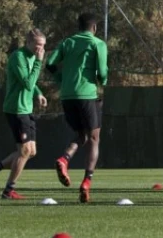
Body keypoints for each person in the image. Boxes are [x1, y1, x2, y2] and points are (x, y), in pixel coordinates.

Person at [46, 13, 109, 203]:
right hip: (87, 95)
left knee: (81, 135)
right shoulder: (97, 44)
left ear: (78, 26)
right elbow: (103, 71)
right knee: (94, 138)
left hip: (67, 96)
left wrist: (61, 80)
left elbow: (49, 63)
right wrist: (102, 81)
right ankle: (86, 182)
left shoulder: (67, 42)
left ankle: (64, 159)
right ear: (94, 28)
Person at [0, 29, 48, 199]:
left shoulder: (31, 57)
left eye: (43, 46)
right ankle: (8, 191)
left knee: (32, 151)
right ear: (28, 43)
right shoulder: (18, 57)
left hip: (26, 108)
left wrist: (39, 93)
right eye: (37, 45)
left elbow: (31, 83)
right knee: (24, 151)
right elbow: (27, 82)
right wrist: (38, 63)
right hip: (16, 109)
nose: (40, 49)